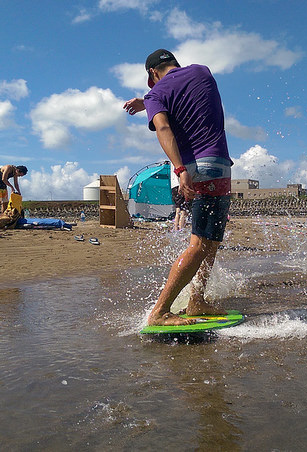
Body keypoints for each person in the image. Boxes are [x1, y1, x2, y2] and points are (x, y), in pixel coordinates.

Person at [123, 49, 233, 326]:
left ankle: (181, 305)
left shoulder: (156, 95)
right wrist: (147, 100)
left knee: (203, 243)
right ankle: (178, 304)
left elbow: (164, 129)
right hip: (221, 164)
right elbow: (183, 92)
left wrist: (180, 169)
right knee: (208, 243)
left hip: (196, 167)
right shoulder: (202, 71)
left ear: (152, 73)